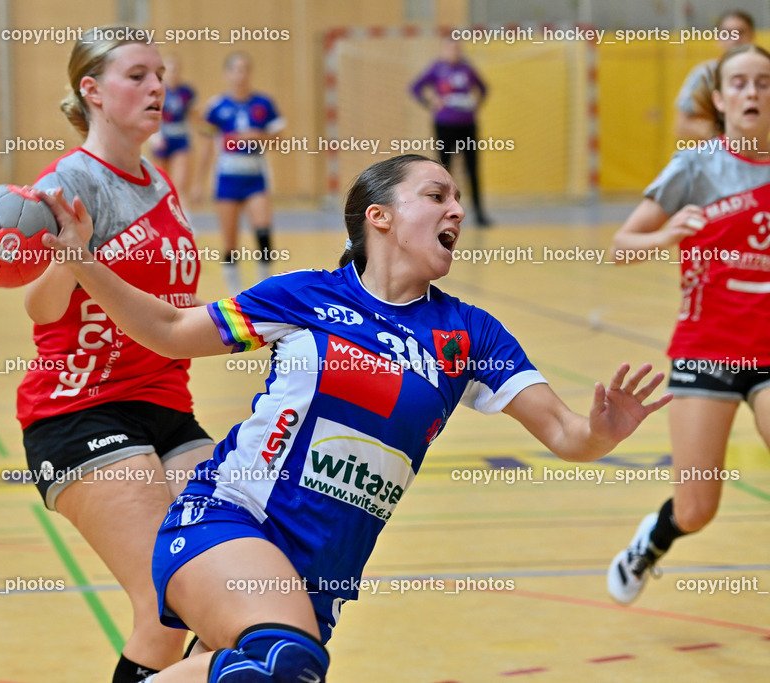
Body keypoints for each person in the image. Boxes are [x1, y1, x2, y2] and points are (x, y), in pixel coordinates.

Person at [33, 152, 670, 680]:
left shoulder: (471, 335)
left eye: (458, 198)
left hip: (320, 575)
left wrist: (600, 434)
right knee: (284, 661)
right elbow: (171, 328)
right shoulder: (307, 296)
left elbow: (564, 432)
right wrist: (82, 260)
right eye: (436, 194)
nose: (457, 207)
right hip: (228, 521)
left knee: (276, 667)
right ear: (381, 217)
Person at [15, 27, 215, 682]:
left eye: (160, 74)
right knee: (171, 602)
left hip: (166, 407)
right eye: (137, 75)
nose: (157, 86)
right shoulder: (69, 183)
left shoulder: (159, 181)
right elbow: (41, 309)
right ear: (92, 91)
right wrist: (70, 259)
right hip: (83, 413)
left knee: (226, 597)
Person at [607, 43, 770, 604]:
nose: (753, 92)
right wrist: (666, 235)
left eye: (764, 82)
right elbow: (622, 245)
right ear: (721, 100)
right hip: (709, 350)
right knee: (698, 508)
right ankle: (652, 542)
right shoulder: (697, 166)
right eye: (741, 83)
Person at [194, 51, 285, 294]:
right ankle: (235, 294)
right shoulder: (217, 106)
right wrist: (198, 183)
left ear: (249, 73)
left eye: (245, 69)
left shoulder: (263, 103)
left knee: (263, 232)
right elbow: (205, 146)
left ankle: (263, 289)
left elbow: (279, 140)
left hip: (256, 177)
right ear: (227, 74)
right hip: (227, 179)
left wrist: (260, 136)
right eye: (235, 69)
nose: (240, 74)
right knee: (230, 242)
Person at [411, 36, 491, 226]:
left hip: (467, 126)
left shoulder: (467, 68)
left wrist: (476, 104)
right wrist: (431, 102)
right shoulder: (437, 68)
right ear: (444, 49)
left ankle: (479, 214)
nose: (454, 51)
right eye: (450, 48)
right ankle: (441, 213)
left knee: (472, 168)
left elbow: (483, 88)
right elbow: (416, 88)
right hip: (445, 125)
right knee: (444, 169)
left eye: (457, 48)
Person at [673, 10, 755, 140]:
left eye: (740, 32)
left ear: (752, 35)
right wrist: (726, 134)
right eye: (727, 33)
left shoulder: (764, 73)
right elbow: (682, 125)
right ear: (718, 38)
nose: (734, 39)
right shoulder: (704, 74)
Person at [150, 54, 197, 209]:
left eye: (175, 70)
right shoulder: (155, 91)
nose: (173, 73)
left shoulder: (186, 92)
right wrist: (155, 137)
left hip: (180, 140)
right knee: (160, 183)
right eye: (169, 70)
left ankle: (185, 219)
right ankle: (162, 216)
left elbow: (195, 117)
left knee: (180, 182)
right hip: (161, 140)